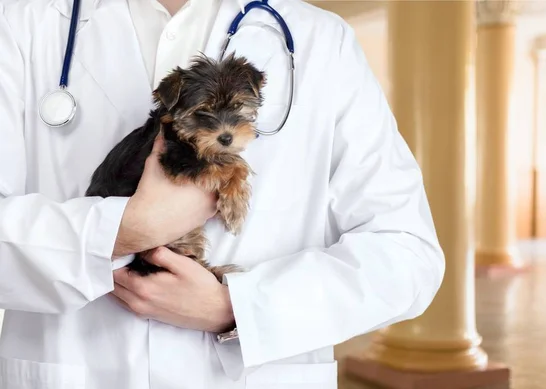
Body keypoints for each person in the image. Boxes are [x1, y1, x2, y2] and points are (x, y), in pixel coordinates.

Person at [0, 0, 445, 388]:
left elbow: (407, 255)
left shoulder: (320, 41)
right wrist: (123, 232)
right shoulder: (21, 25)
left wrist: (239, 309)